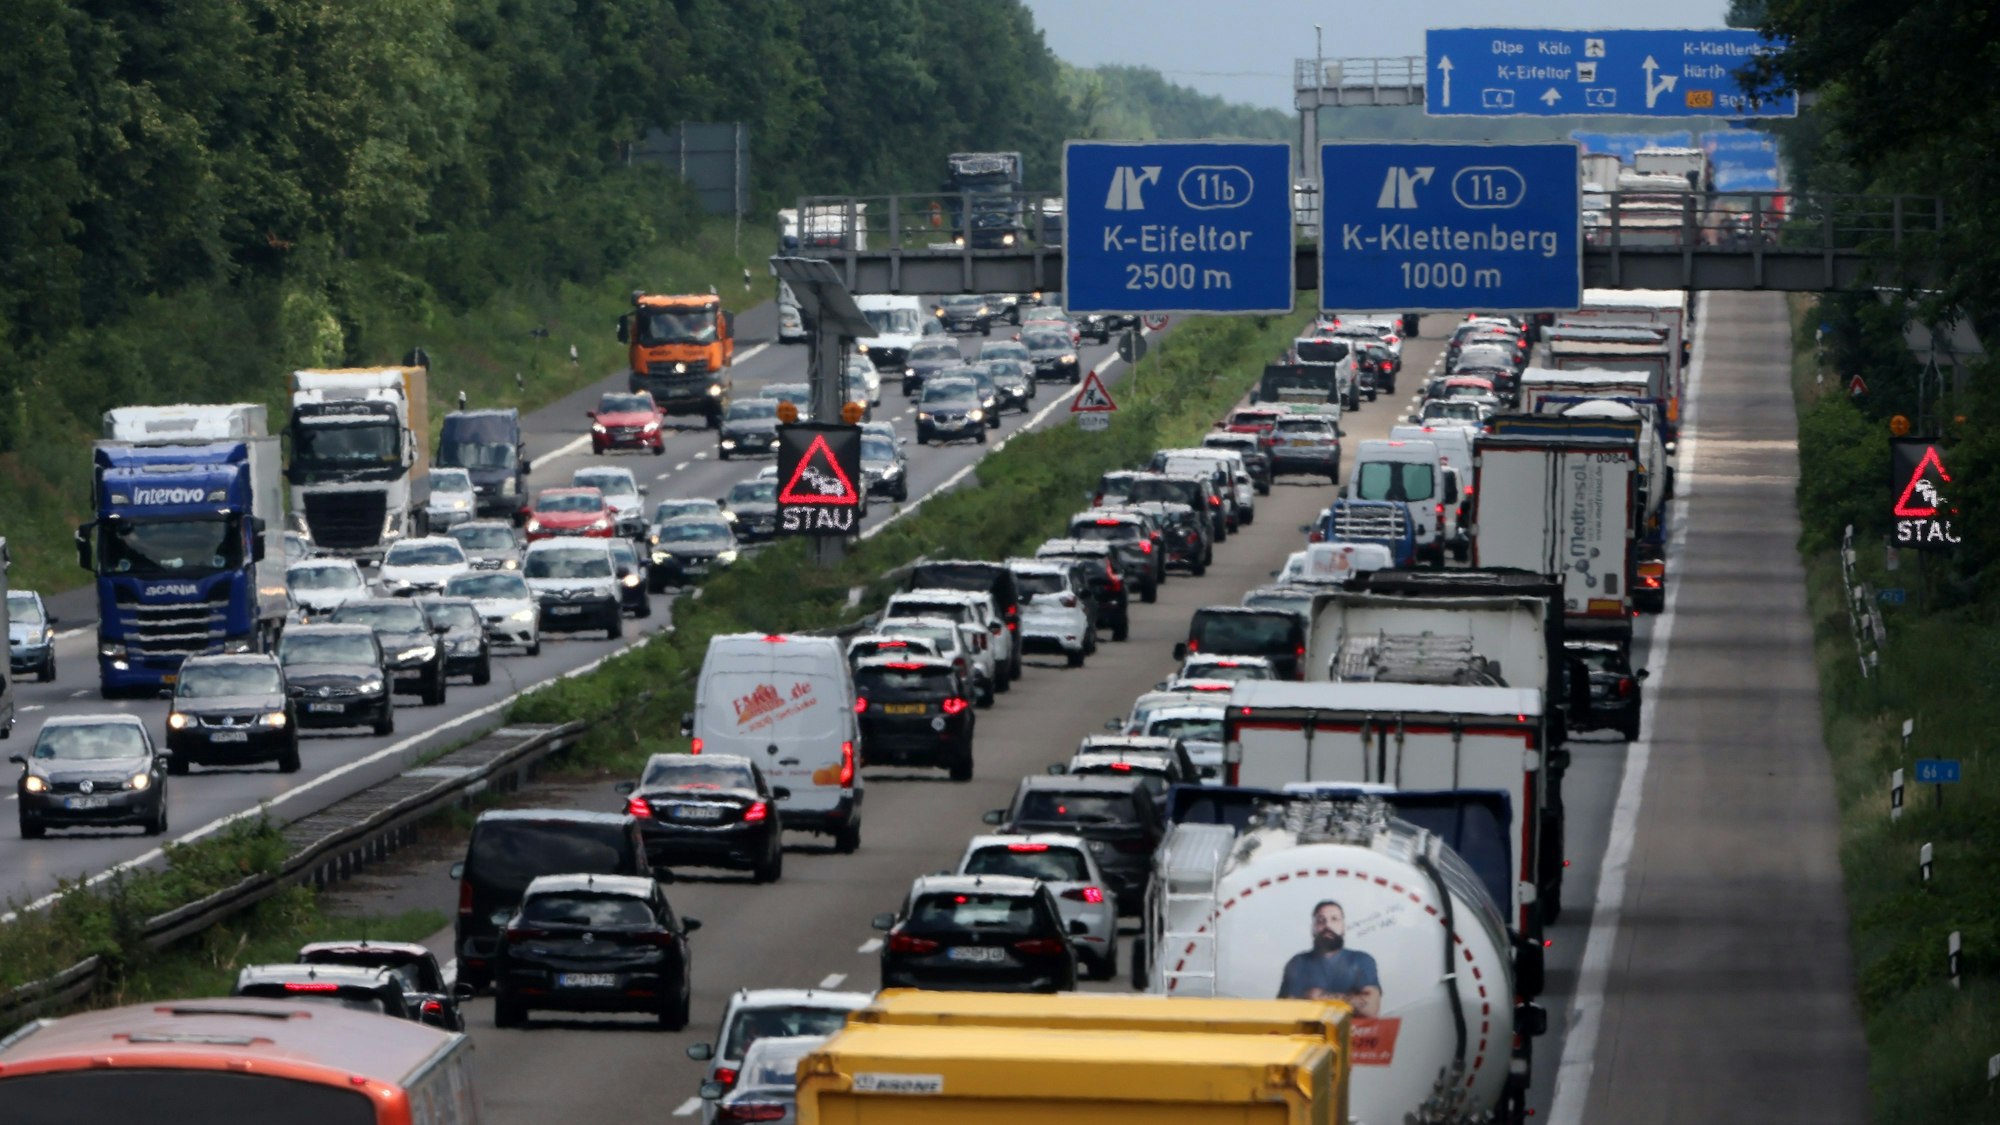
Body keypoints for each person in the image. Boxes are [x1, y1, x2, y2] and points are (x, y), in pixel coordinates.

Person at [1276, 900, 1382, 1018]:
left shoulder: (1362, 960)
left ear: (1343, 927)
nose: (1328, 925)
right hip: (1310, 1029)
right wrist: (1351, 999)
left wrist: (1318, 996)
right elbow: (1286, 1012)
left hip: (1354, 1030)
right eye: (1321, 920)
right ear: (1313, 928)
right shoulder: (1298, 963)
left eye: (1334, 919)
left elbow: (1371, 1009)